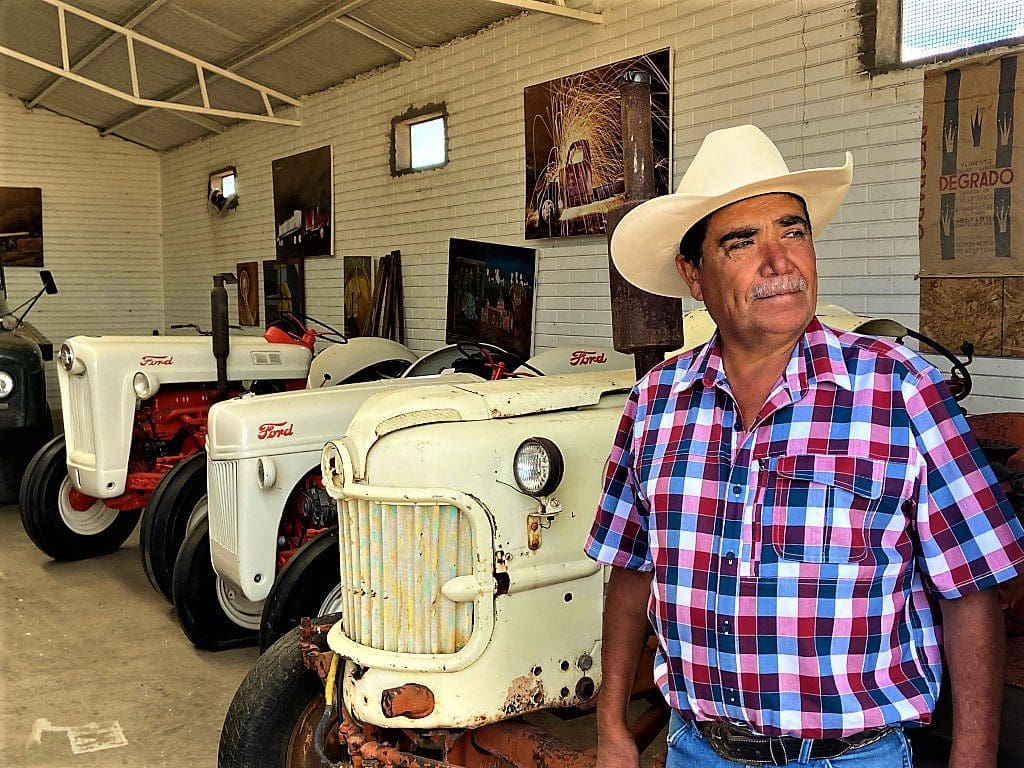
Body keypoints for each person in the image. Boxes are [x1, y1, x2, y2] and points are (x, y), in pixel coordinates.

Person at [586, 125, 1024, 768]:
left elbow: (972, 584)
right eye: (742, 242)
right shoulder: (656, 404)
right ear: (694, 274)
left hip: (853, 756)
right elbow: (628, 570)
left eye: (793, 231)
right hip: (700, 751)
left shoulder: (897, 390)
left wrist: (974, 758)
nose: (778, 261)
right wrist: (612, 726)